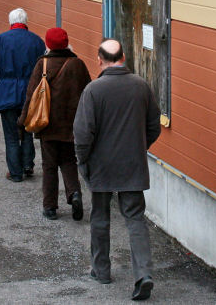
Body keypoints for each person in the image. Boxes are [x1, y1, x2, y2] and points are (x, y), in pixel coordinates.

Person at [73, 39, 161, 302]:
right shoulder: (141, 86)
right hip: (132, 164)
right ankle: (143, 274)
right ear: (123, 57)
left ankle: (101, 270)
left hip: (101, 165)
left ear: (99, 60)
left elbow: (82, 134)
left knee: (100, 218)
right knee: (135, 219)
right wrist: (138, 146)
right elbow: (154, 126)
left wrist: (83, 161)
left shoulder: (93, 90)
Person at [18, 27, 91, 220]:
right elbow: (88, 94)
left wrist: (23, 120)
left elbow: (31, 95)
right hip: (71, 124)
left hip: (47, 123)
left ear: (48, 44)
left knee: (49, 165)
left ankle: (50, 207)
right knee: (69, 161)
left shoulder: (42, 65)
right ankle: (74, 193)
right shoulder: (78, 65)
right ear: (66, 43)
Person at [0, 8, 45, 182]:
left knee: (11, 134)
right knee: (28, 129)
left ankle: (15, 173)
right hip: (30, 92)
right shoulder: (37, 41)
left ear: (11, 22)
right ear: (26, 22)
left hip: (7, 91)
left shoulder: (1, 39)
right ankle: (28, 164)